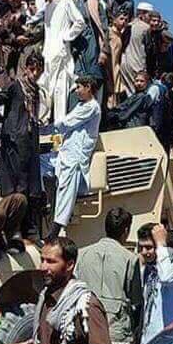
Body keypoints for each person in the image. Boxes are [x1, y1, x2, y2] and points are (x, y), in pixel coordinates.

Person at [30, 237, 113, 344]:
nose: (43, 267)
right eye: (42, 260)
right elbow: (45, 343)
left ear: (69, 265)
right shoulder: (45, 301)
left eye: (51, 261)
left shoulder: (85, 305)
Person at [75, 208, 142, 344]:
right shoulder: (130, 258)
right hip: (116, 331)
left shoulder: (82, 254)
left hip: (86, 328)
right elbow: (136, 299)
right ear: (126, 230)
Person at [0, 52, 44, 240]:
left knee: (30, 186)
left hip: (29, 142)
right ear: (26, 68)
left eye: (39, 70)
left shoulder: (35, 91)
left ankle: (28, 228)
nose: (35, 73)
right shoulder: (15, 86)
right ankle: (15, 229)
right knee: (17, 186)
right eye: (32, 69)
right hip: (14, 143)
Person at [46, 77, 102, 239]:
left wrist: (46, 128)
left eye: (78, 87)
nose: (76, 91)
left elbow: (67, 123)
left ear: (88, 87)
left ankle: (56, 229)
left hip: (76, 156)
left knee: (67, 189)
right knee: (46, 169)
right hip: (66, 152)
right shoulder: (80, 105)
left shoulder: (92, 107)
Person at [39, 0, 86, 124]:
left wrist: (66, 37)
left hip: (61, 55)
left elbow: (80, 22)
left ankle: (60, 128)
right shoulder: (47, 7)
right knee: (45, 89)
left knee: (60, 92)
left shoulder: (66, 1)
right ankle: (44, 123)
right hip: (48, 55)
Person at [119, 2, 152, 98]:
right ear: (143, 14)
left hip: (124, 64)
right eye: (149, 15)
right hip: (138, 65)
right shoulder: (146, 28)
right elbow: (149, 49)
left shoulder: (127, 26)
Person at [107, 12, 129, 107]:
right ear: (114, 20)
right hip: (109, 68)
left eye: (126, 20)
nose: (123, 22)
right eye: (121, 19)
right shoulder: (109, 32)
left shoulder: (120, 35)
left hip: (116, 68)